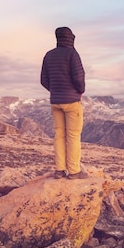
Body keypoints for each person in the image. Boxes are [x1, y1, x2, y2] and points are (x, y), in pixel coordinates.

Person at [41, 26, 88, 179]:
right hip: (72, 102)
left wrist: (56, 90)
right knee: (73, 136)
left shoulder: (48, 55)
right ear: (71, 38)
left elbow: (44, 80)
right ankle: (74, 171)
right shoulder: (72, 54)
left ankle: (59, 170)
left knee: (59, 135)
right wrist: (79, 91)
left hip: (56, 102)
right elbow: (79, 78)